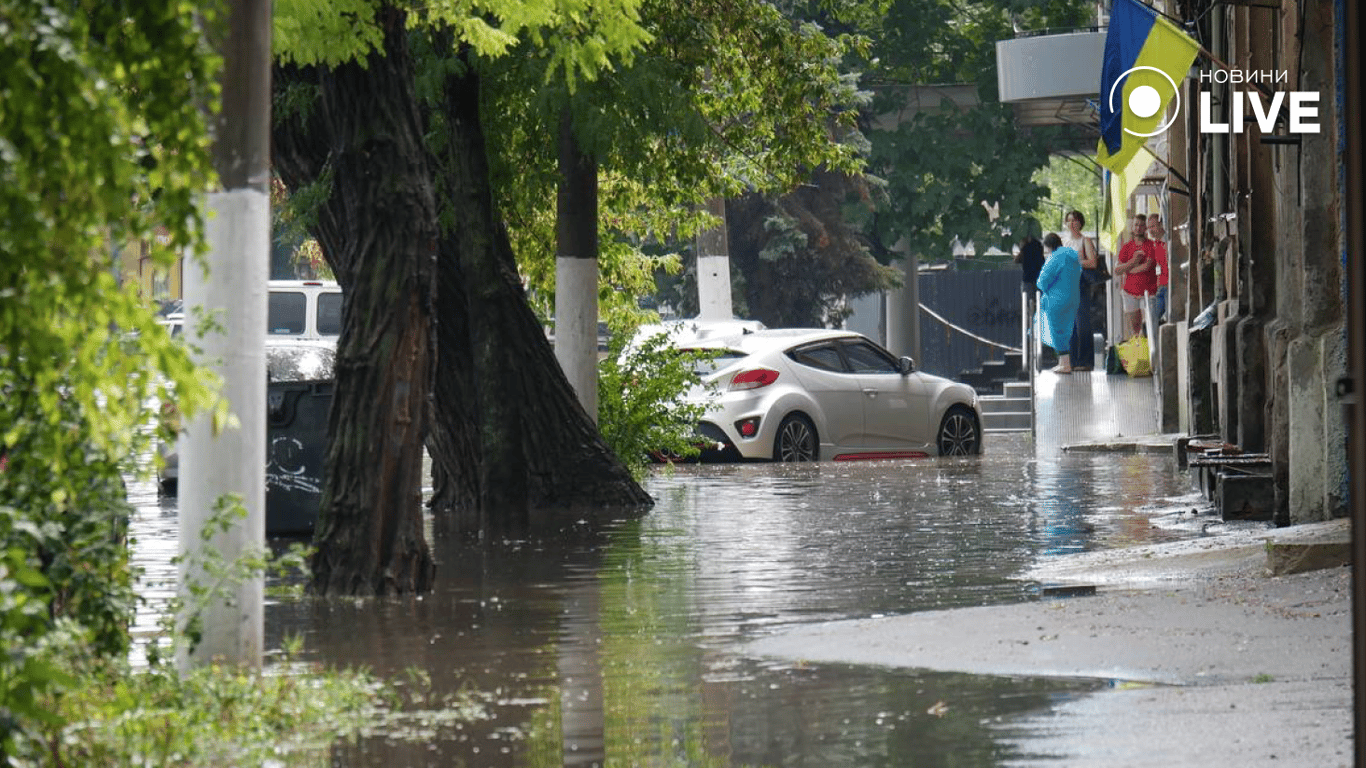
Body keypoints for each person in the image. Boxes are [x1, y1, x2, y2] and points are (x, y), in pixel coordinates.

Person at [1037, 232, 1082, 373]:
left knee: (1057, 331)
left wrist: (1043, 287)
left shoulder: (1055, 257)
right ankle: (1065, 363)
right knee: (1068, 330)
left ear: (1049, 246)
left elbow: (1043, 280)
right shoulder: (1073, 256)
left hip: (1056, 299)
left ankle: (1065, 364)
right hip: (1074, 297)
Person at [1063, 210, 1099, 371]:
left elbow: (1092, 263)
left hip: (1081, 284)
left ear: (1080, 223)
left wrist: (1076, 261)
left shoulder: (1086, 240)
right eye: (1069, 221)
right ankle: (1071, 361)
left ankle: (1085, 361)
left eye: (1075, 220)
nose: (1072, 223)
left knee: (1082, 323)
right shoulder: (1064, 242)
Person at [1112, 213, 1156, 339]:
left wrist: (1129, 269)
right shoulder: (1127, 247)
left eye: (1142, 225)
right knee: (1134, 329)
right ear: (1132, 227)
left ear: (1146, 228)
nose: (1138, 228)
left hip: (1148, 292)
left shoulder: (1151, 245)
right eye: (1136, 225)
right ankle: (1138, 353)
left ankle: (1149, 354)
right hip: (1129, 292)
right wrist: (1132, 262)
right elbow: (1117, 270)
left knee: (1147, 327)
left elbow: (1146, 266)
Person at [1147, 213, 1169, 322]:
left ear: (1161, 225)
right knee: (1153, 318)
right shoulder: (1154, 245)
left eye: (1153, 226)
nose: (1150, 230)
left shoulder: (1169, 243)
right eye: (1149, 227)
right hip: (1159, 288)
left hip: (1169, 287)